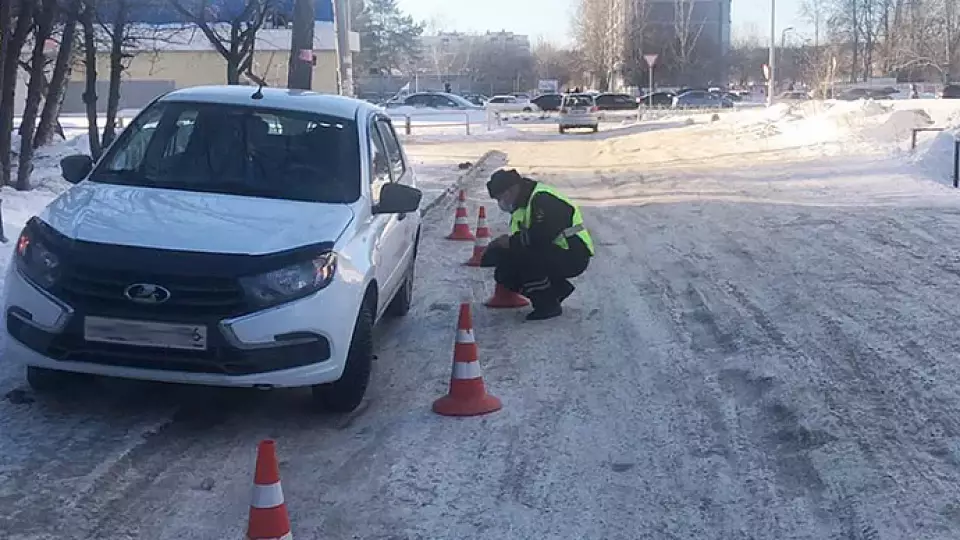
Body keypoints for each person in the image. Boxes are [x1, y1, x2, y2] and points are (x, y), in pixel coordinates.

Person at [482, 169, 594, 321]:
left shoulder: (544, 199)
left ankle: (547, 305)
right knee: (504, 269)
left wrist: (509, 242)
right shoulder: (521, 206)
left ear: (511, 190)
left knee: (526, 257)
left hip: (573, 253)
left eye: (501, 197)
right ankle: (557, 290)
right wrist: (497, 250)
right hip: (552, 252)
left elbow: (542, 237)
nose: (501, 203)